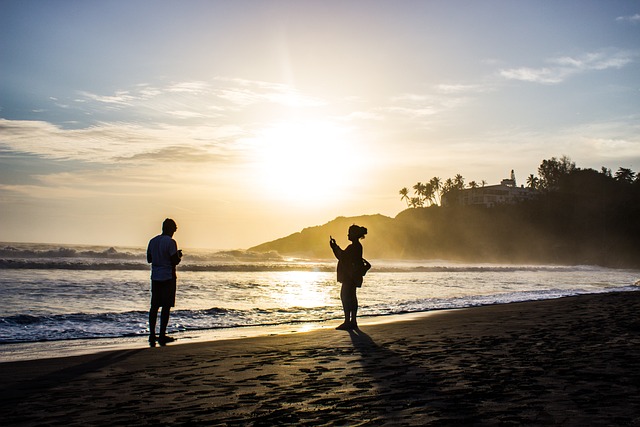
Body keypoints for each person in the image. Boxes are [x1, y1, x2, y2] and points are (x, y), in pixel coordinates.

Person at [147, 218, 182, 346]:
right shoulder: (171, 242)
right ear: (170, 229)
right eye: (173, 230)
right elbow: (175, 261)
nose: (173, 232)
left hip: (155, 276)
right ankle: (162, 334)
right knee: (166, 307)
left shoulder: (153, 241)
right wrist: (179, 255)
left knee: (154, 306)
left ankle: (152, 334)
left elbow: (149, 259)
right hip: (168, 276)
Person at [330, 224, 368, 330]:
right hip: (354, 275)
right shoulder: (358, 246)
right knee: (352, 297)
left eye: (349, 233)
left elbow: (342, 257)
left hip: (349, 276)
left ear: (354, 234)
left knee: (345, 297)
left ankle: (348, 321)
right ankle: (353, 321)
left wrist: (334, 247)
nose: (348, 235)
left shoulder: (353, 247)